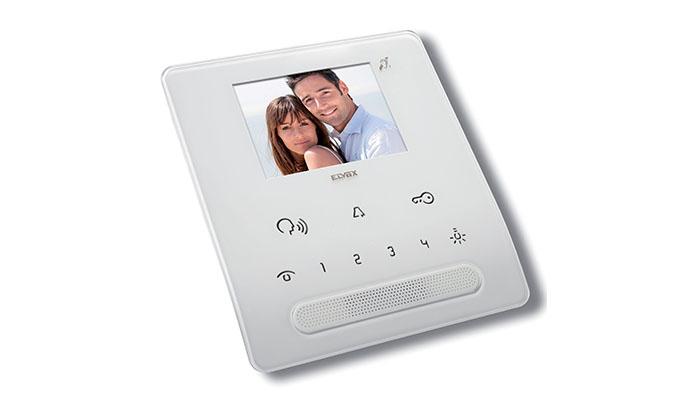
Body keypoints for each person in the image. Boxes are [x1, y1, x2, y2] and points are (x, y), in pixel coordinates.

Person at [286, 69, 406, 162]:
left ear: (343, 87)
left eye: (325, 93)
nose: (320, 105)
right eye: (309, 100)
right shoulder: (333, 141)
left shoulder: (381, 138)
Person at [266, 95, 345, 175]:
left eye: (304, 124)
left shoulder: (315, 154)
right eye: (286, 128)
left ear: (315, 125)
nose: (299, 135)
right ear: (277, 134)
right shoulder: (301, 166)